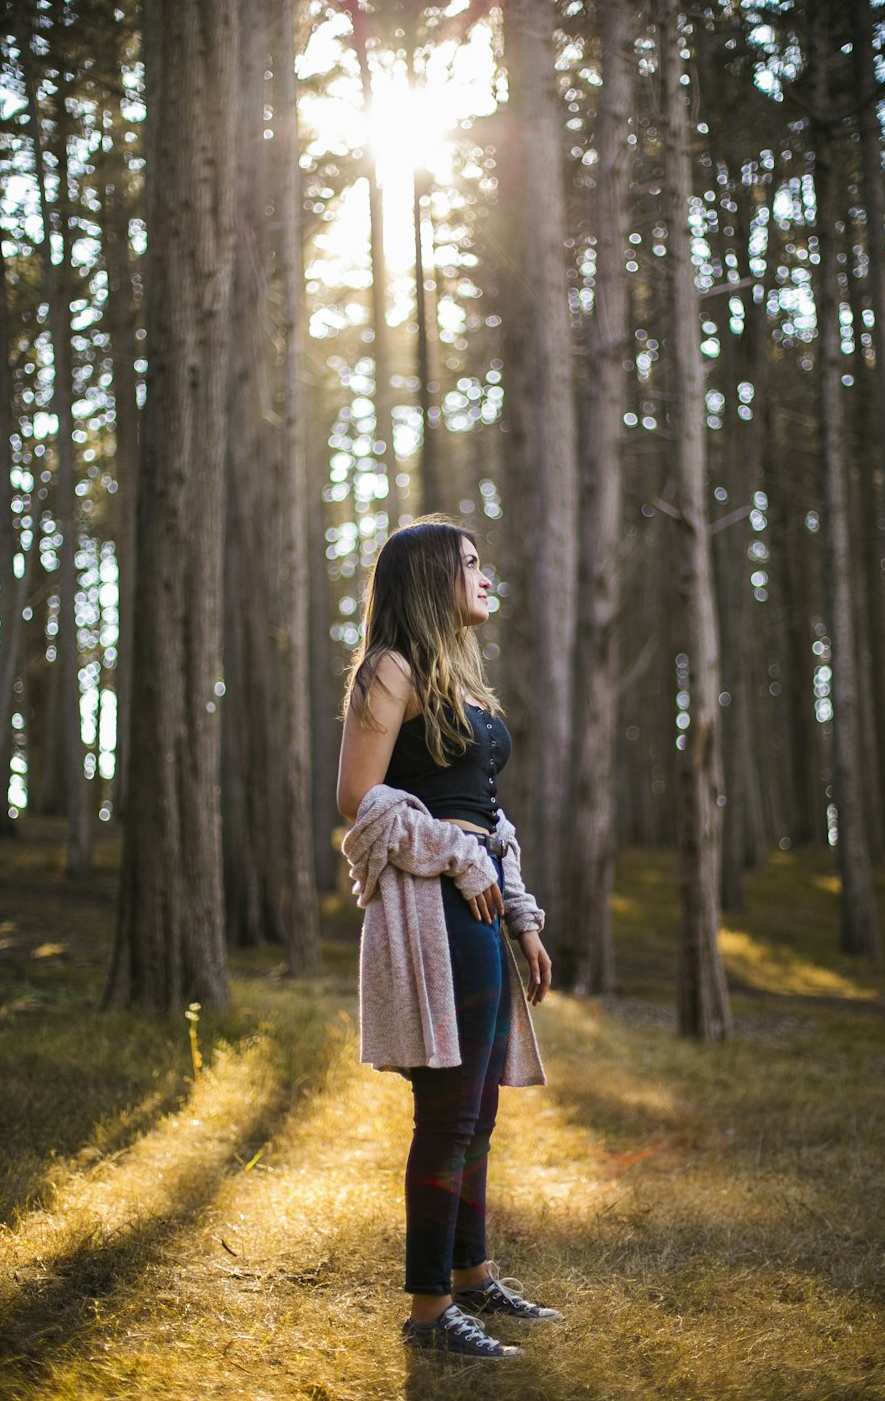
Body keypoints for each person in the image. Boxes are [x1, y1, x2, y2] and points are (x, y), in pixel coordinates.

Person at [337, 518, 560, 1360]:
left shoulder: (457, 682)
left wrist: (519, 913)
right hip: (433, 912)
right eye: (469, 564)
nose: (485, 574)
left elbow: (490, 818)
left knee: (482, 1112)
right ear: (431, 577)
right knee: (450, 1113)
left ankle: (474, 1280)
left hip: (480, 913)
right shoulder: (387, 671)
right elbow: (360, 799)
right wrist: (462, 864)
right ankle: (428, 1314)